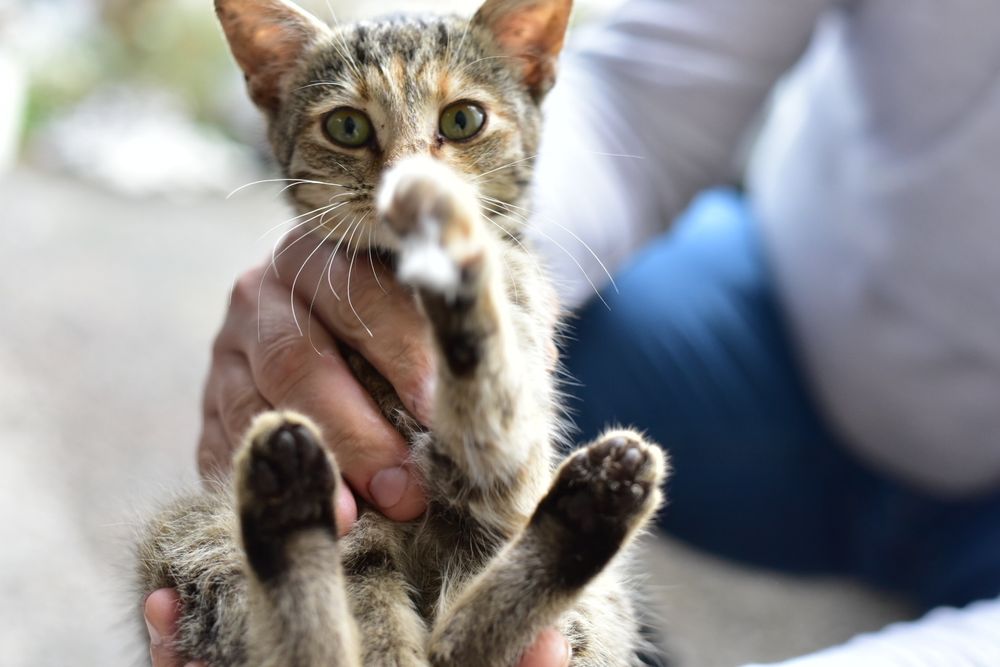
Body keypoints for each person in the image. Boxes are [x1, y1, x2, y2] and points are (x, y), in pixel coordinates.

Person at [147, 0, 1000, 664]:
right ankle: (376, 618)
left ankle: (376, 615)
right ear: (271, 97)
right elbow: (644, 94)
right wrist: (314, 308)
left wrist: (475, 286)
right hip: (783, 315)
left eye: (458, 125)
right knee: (209, 548)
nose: (406, 165)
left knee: (539, 555)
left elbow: (491, 459)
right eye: (347, 129)